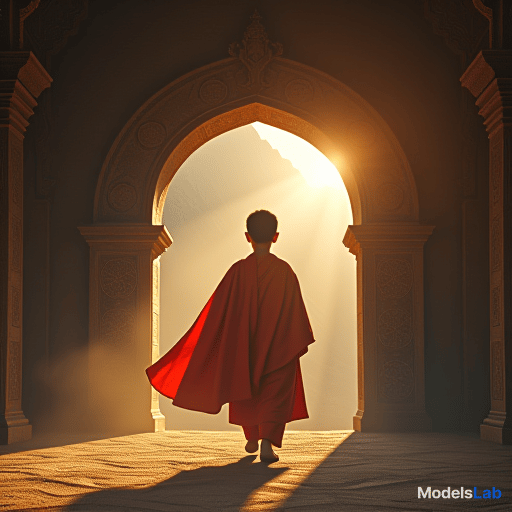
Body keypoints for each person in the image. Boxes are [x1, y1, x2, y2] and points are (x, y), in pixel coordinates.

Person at [146, 210, 314, 462]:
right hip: (279, 348)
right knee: (274, 393)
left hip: (244, 347)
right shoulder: (285, 272)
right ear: (276, 237)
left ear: (247, 237)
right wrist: (291, 343)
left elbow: (218, 312)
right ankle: (266, 443)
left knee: (245, 389)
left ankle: (251, 437)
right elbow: (295, 315)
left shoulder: (237, 271)